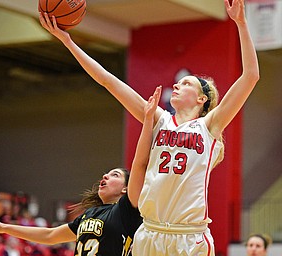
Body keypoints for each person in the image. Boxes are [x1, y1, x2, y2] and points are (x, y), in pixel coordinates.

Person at [39, 0, 259, 254]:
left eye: (186, 83)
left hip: (188, 236)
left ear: (202, 99)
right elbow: (107, 81)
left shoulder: (210, 125)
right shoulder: (158, 118)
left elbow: (250, 76)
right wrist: (68, 41)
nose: (176, 85)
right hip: (150, 232)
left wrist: (241, 23)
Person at [0, 166, 143, 256]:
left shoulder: (125, 210)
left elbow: (140, 165)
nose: (105, 176)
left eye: (114, 175)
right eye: (106, 174)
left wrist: (149, 120)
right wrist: (4, 228)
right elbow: (50, 236)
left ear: (126, 189)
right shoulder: (88, 214)